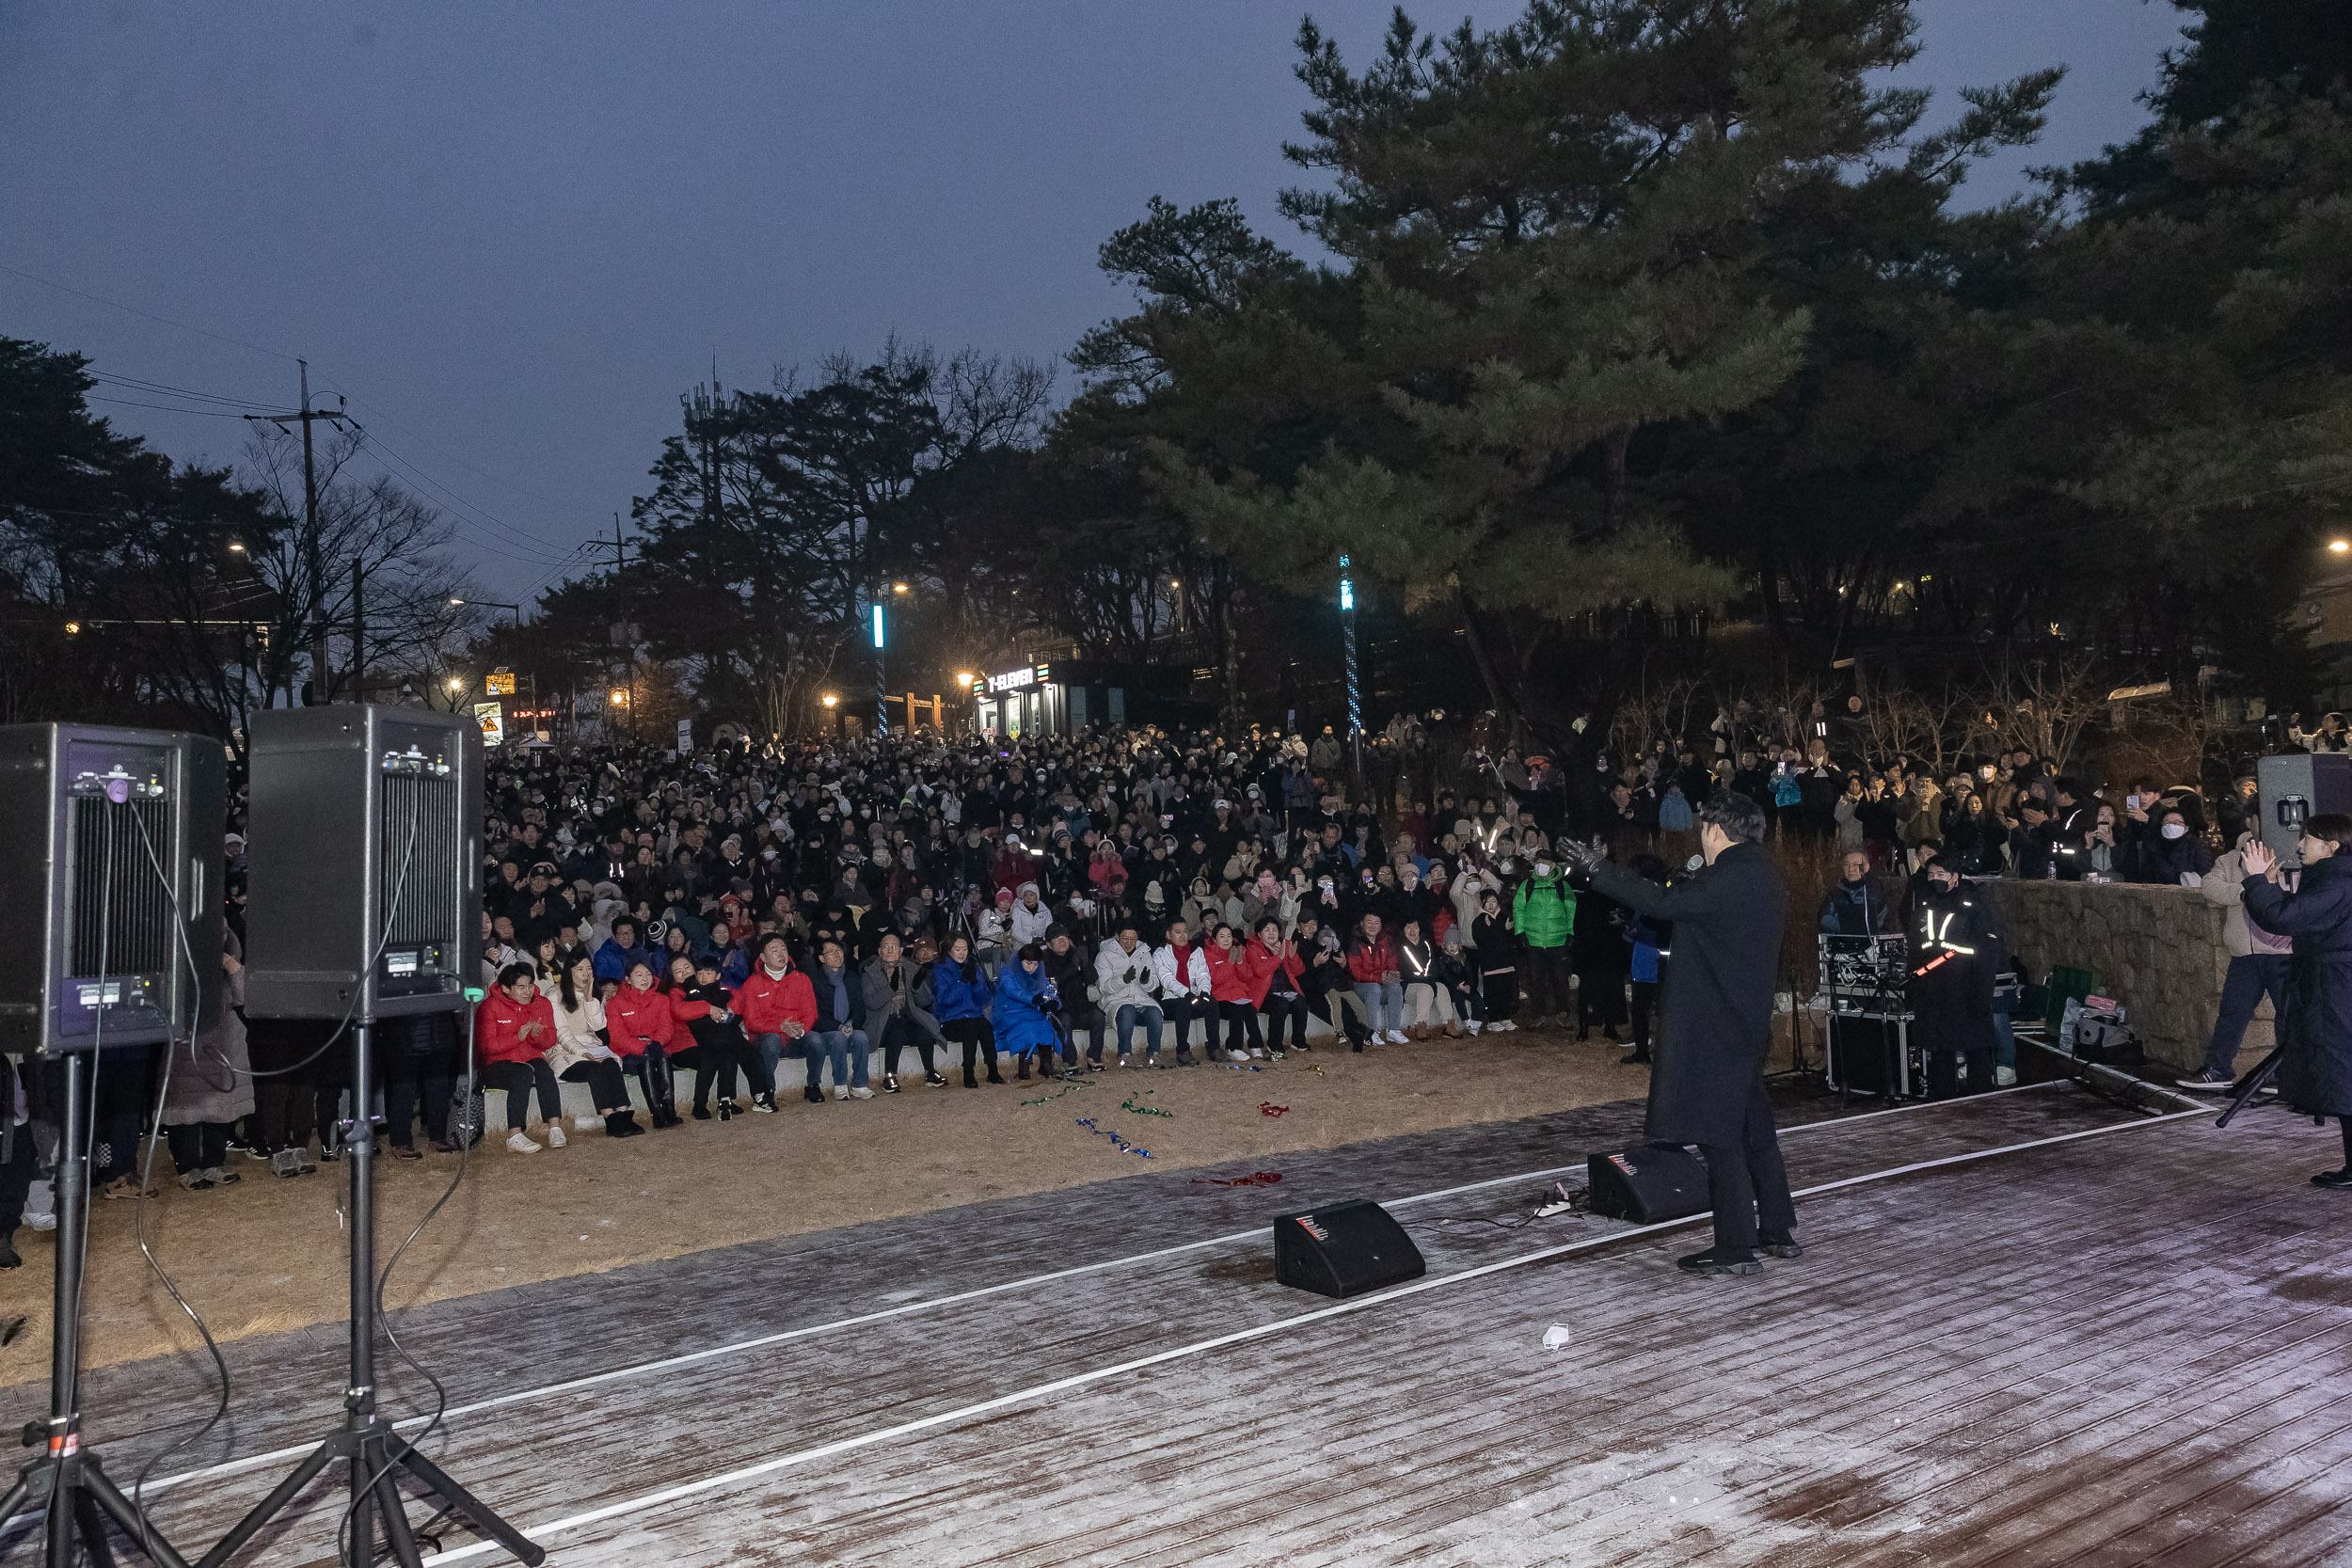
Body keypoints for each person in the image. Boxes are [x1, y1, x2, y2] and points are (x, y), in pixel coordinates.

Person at [1561, 793, 1798, 1276]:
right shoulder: (1767, 876)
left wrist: (1600, 871)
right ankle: (1776, 1229)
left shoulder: (1728, 876)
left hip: (1714, 1023)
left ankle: (1735, 1247)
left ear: (1715, 830)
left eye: (1703, 830)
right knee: (1755, 1131)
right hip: (1746, 1022)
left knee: (1718, 1135)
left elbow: (1662, 903)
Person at [2241, 819, 2352, 1188]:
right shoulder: (2335, 878)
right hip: (2333, 986)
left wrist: (2257, 879)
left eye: (2308, 838)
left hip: (2336, 990)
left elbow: (2283, 919)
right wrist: (2270, 886)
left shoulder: (2337, 881)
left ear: (2332, 846)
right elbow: (2304, 917)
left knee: (2343, 1074)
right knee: (2341, 1074)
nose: (2300, 844)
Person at [2179, 831, 2295, 1092]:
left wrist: (2266, 887)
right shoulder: (2229, 859)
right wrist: (2249, 890)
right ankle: (2217, 1070)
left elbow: (2298, 897)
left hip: (2283, 953)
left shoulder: (2291, 854)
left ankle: (2286, 1076)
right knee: (2232, 1013)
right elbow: (2210, 887)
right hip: (2244, 954)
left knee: (2288, 1016)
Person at [1906, 851, 2002, 1100]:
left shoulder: (1973, 905)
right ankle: (1942, 1098)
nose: (1935, 879)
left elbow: (1986, 950)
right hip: (1935, 988)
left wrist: (1981, 993)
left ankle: (1982, 1098)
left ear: (1954, 878)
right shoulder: (1925, 905)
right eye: (1931, 874)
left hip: (1967, 985)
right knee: (1940, 1048)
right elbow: (1917, 947)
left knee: (1975, 1046)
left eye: (1941, 874)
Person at [544, 953, 645, 1137]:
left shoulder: (594, 991)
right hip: (565, 1052)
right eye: (580, 969)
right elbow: (562, 1034)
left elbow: (599, 1026)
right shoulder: (554, 995)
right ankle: (610, 1119)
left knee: (611, 1064)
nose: (586, 974)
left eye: (589, 969)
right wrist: (583, 1053)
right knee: (595, 1069)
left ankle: (624, 1116)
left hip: (593, 1045)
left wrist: (590, 999)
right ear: (569, 972)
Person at [474, 962, 568, 1153]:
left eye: (530, 985)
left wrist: (537, 1035)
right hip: (497, 1063)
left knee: (544, 1070)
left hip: (529, 1057)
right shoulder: (489, 1006)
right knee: (523, 1072)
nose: (528, 992)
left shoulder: (542, 1003)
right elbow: (486, 1046)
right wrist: (515, 1037)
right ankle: (514, 1135)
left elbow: (550, 1040)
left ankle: (555, 1128)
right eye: (521, 987)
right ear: (506, 989)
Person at [734, 934, 814, 1106]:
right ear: (762, 957)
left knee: (816, 1039)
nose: (781, 954)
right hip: (766, 1039)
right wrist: (780, 1027)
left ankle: (813, 1085)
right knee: (772, 1039)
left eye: (783, 949)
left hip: (795, 1036)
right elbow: (752, 1022)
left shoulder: (801, 979)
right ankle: (767, 1091)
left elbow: (810, 1014)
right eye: (774, 950)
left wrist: (800, 1030)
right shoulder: (752, 984)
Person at [604, 958, 683, 1127]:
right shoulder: (615, 1003)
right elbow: (618, 1037)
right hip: (628, 1053)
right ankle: (657, 1112)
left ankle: (669, 1108)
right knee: (646, 1058)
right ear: (628, 979)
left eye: (648, 974)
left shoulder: (661, 999)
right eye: (639, 975)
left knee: (663, 1056)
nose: (645, 979)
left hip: (654, 1046)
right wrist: (643, 1048)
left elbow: (666, 1028)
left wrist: (656, 1043)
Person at [865, 930, 948, 1090]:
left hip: (907, 1015)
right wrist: (891, 989)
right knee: (897, 1031)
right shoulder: (870, 973)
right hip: (883, 1020)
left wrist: (917, 987)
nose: (890, 950)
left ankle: (930, 1072)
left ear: (901, 951)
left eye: (894, 946)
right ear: (880, 951)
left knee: (924, 1031)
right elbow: (871, 1002)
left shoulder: (911, 969)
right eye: (886, 946)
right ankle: (889, 1076)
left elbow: (925, 1001)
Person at [803, 937, 876, 1101]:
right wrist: (838, 1026)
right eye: (830, 952)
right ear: (822, 958)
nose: (836, 954)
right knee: (838, 1037)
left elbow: (859, 1007)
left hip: (849, 1025)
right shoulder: (814, 981)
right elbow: (815, 1014)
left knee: (861, 1036)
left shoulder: (852, 978)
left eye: (839, 950)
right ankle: (840, 1084)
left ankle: (860, 1084)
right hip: (826, 1030)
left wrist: (852, 1023)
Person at [1512, 851, 1576, 1029]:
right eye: (1538, 862)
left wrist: (1570, 933)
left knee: (1560, 980)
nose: (1541, 865)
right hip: (1534, 942)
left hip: (1558, 941)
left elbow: (1571, 910)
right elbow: (1519, 910)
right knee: (1535, 980)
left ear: (1553, 865)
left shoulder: (1563, 886)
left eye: (1545, 862)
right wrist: (1520, 933)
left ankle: (1562, 1013)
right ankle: (1537, 1014)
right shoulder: (1527, 885)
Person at [932, 934, 1003, 1087]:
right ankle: (968, 1072)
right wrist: (962, 981)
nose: (962, 953)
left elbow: (984, 1000)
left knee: (985, 1025)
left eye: (965, 949)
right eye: (957, 949)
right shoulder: (940, 969)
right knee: (970, 1026)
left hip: (974, 1016)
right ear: (949, 950)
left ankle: (993, 1070)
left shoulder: (972, 967)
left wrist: (976, 982)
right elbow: (945, 1000)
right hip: (950, 1020)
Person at [1096, 919, 1165, 1067]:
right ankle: (1125, 1054)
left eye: (1133, 939)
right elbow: (1103, 987)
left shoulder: (1144, 952)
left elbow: (1154, 984)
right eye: (1125, 939)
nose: (1129, 943)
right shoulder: (1105, 955)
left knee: (1155, 1013)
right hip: (1117, 1000)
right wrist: (1123, 979)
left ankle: (1154, 1054)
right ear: (1116, 937)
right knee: (1127, 1010)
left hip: (1141, 999)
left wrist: (1145, 981)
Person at [993, 942, 1065, 1080]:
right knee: (1026, 1029)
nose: (1032, 968)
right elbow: (1012, 991)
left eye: (1036, 964)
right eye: (1028, 963)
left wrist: (1054, 1003)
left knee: (1046, 1028)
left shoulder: (1039, 973)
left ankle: (1046, 1065)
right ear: (1020, 961)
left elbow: (1049, 990)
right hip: (1010, 1011)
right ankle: (1023, 1067)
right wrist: (1033, 999)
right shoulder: (1007, 972)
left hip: (1032, 1011)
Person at [1205, 923, 1274, 1060]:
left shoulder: (1239, 950)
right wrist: (1230, 962)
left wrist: (1240, 961)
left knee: (1250, 1009)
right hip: (1220, 998)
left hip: (1240, 996)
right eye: (1222, 936)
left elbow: (1247, 976)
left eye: (1229, 936)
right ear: (1214, 939)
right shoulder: (1209, 954)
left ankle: (1255, 1045)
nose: (1226, 940)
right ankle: (1233, 1047)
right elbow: (1216, 979)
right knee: (1237, 1010)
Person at [1152, 918, 1215, 1067]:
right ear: (1169, 935)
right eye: (1177, 932)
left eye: (1185, 932)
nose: (1182, 936)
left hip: (1192, 996)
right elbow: (1166, 979)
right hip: (1169, 999)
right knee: (1183, 1005)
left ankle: (1214, 1047)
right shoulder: (1160, 953)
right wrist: (1187, 993)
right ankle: (1182, 1051)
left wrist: (1204, 992)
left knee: (1212, 1002)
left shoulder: (1196, 951)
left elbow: (1203, 974)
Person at [1252, 917, 1311, 1057]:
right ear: (1259, 934)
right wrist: (1279, 957)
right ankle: (1274, 1045)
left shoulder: (1285, 945)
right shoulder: (1253, 948)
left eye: (1274, 930)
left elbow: (1299, 971)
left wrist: (1291, 957)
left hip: (1286, 990)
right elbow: (1259, 971)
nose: (1272, 933)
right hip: (1264, 994)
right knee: (1281, 1004)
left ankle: (1298, 1041)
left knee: (1301, 1003)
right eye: (1267, 930)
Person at [1347, 912, 1406, 1045]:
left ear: (1381, 925)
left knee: (1395, 987)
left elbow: (1392, 964)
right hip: (1359, 988)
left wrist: (1392, 976)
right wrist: (1378, 978)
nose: (1372, 926)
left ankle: (1394, 1030)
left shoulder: (1385, 941)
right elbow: (1354, 972)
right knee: (1374, 988)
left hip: (1379, 985)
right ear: (1362, 924)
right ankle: (1371, 1032)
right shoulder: (1355, 942)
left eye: (1376, 922)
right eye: (1369, 922)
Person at [1818, 850, 1894, 935]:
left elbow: (1865, 922)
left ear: (1866, 867)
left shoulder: (1873, 889)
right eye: (1847, 865)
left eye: (1855, 865)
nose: (1851, 869)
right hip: (1841, 942)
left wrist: (1840, 922)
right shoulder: (1836, 891)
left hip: (1871, 943)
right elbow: (1824, 919)